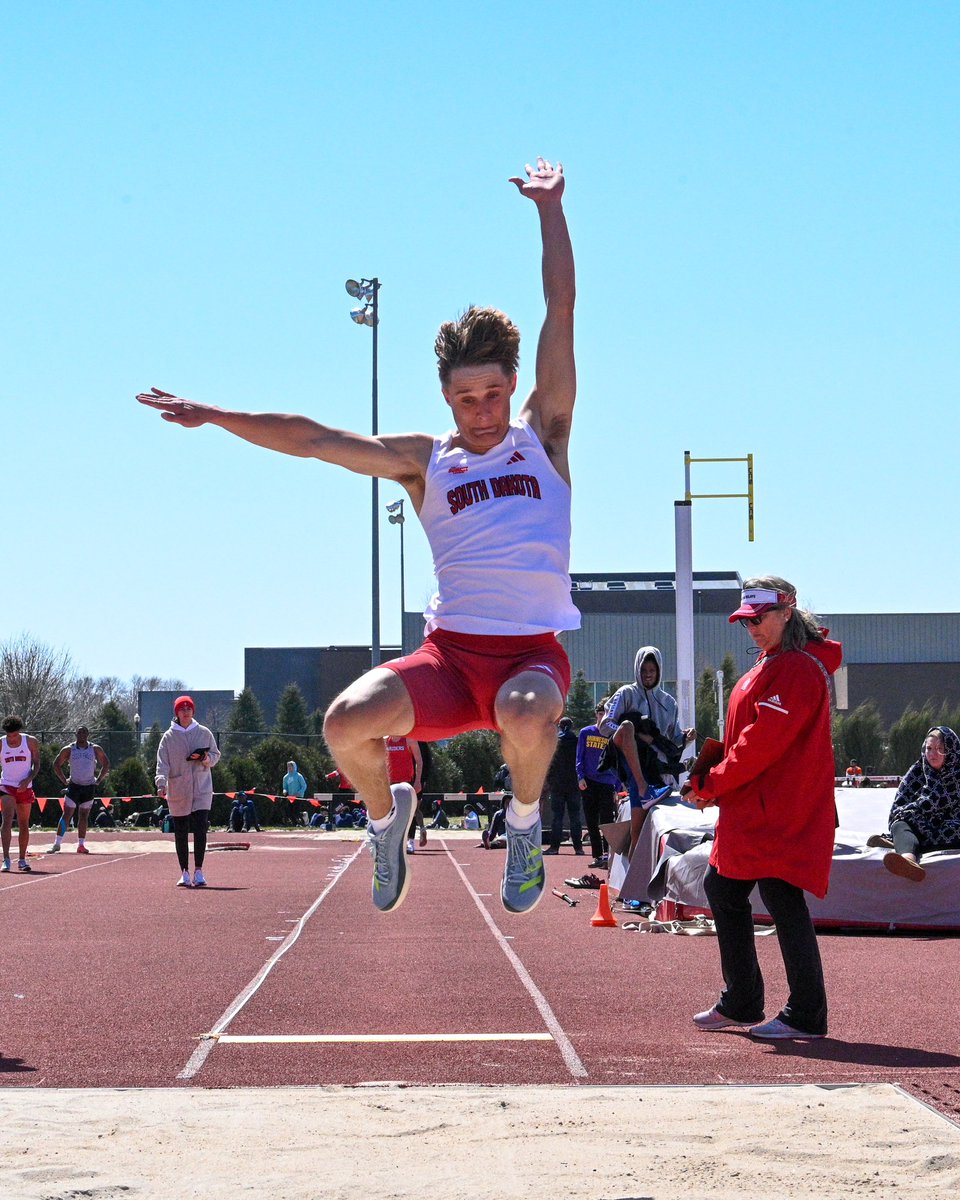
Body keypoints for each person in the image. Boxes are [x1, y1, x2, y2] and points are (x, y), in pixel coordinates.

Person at [138, 156, 578, 917]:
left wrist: (549, 210)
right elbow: (313, 439)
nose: (480, 411)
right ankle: (384, 821)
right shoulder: (424, 460)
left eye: (493, 394)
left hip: (529, 654)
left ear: (513, 385)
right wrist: (215, 415)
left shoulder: (544, 436)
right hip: (449, 657)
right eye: (465, 398)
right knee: (343, 724)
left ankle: (526, 826)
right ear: (446, 396)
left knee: (529, 708)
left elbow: (561, 310)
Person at [683, 577, 842, 1041]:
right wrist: (712, 781)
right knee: (734, 890)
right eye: (745, 620)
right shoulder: (775, 663)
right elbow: (747, 741)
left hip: (778, 812)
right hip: (757, 808)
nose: (750, 627)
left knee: (777, 897)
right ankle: (748, 1001)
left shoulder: (793, 668)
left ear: (786, 613)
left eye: (758, 618)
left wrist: (711, 784)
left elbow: (758, 746)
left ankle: (800, 1012)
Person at [600, 646, 692, 859]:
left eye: (652, 669)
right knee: (638, 830)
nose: (647, 674)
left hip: (658, 771)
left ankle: (636, 884)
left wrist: (686, 738)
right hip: (633, 767)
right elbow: (605, 726)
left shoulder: (669, 702)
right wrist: (633, 736)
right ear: (637, 669)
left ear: (659, 671)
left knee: (649, 832)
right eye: (643, 669)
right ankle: (632, 887)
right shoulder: (626, 694)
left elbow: (673, 740)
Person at [155, 695, 222, 888]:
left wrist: (205, 758)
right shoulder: (168, 737)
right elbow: (162, 763)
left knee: (201, 828)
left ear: (193, 711)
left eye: (189, 708)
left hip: (202, 787)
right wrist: (161, 783)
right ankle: (184, 872)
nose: (186, 712)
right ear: (176, 712)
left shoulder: (204, 732)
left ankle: (199, 871)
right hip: (178, 789)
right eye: (182, 709)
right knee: (181, 831)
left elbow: (216, 755)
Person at [880, 727, 960, 882]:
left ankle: (900, 842)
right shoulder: (917, 772)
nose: (933, 754)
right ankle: (908, 861)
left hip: (952, 825)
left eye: (940, 749)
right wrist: (914, 812)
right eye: (929, 748)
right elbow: (898, 807)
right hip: (922, 823)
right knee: (900, 824)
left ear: (951, 750)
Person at [49, 726, 110, 854]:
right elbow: (56, 764)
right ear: (75, 734)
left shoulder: (95, 749)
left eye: (84, 732)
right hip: (74, 786)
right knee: (67, 814)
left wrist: (98, 780)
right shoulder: (69, 749)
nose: (82, 734)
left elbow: (106, 763)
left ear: (88, 734)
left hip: (89, 787)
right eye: (79, 732)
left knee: (83, 816)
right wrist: (64, 779)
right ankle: (57, 843)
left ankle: (81, 844)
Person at [576, 700, 620, 868]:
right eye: (600, 714)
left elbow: (617, 761)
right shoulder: (586, 732)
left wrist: (616, 786)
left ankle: (609, 855)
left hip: (607, 782)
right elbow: (579, 757)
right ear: (596, 714)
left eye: (606, 715)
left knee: (607, 821)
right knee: (591, 821)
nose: (602, 718)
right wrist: (580, 776)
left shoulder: (612, 736)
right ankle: (597, 855)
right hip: (588, 782)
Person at [1, 715, 40, 873]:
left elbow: (36, 763)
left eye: (15, 735)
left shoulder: (30, 741)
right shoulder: (1, 743)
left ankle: (22, 859)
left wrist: (28, 779)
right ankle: (6, 859)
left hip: (25, 785)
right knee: (7, 818)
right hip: (6, 785)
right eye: (9, 735)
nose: (12, 739)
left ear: (20, 732)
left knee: (23, 822)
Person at [544, 717, 583, 855]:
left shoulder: (554, 742)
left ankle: (554, 847)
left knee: (557, 817)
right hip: (574, 784)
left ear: (560, 726)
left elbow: (548, 764)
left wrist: (550, 780)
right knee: (575, 817)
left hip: (557, 785)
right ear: (572, 726)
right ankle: (578, 848)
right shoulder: (577, 742)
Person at [384, 736, 425, 855]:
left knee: (410, 813)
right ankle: (394, 842)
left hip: (407, 782)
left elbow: (419, 761)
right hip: (390, 783)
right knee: (391, 813)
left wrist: (418, 781)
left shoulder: (410, 739)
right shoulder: (385, 740)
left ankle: (410, 841)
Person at [281, 760, 308, 825]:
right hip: (290, 797)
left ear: (294, 767)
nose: (289, 768)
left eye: (291, 766)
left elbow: (304, 786)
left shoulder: (299, 776)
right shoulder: (285, 777)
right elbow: (285, 787)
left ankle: (303, 818)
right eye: (288, 767)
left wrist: (299, 793)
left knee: (296, 811)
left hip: (299, 796)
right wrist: (284, 791)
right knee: (290, 811)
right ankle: (295, 824)